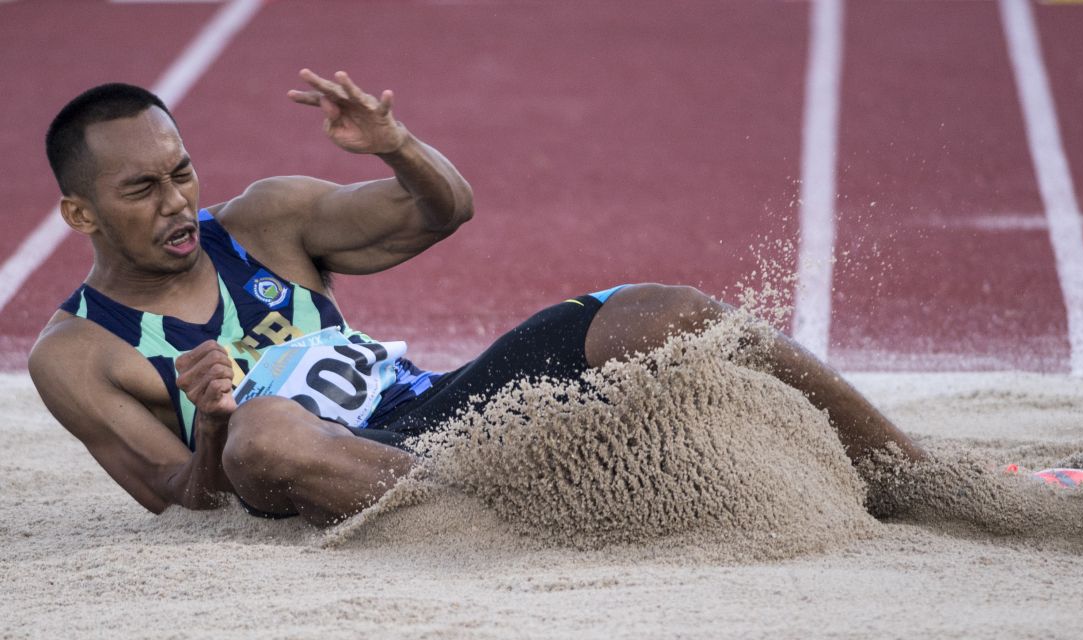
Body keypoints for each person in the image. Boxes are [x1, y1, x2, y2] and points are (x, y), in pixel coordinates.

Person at [29, 69, 925, 526]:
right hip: (307, 468)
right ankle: (535, 510)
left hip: (429, 412)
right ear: (80, 212)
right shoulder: (77, 355)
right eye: (141, 190)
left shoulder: (263, 219)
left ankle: (907, 471)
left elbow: (442, 212)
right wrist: (216, 419)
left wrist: (396, 146)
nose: (177, 201)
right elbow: (182, 502)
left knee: (661, 308)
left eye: (181, 171)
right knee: (268, 427)